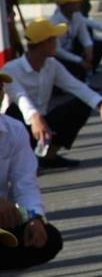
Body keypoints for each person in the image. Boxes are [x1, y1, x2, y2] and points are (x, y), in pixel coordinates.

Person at [1, 18, 102, 169]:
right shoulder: (10, 69)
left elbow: (77, 87)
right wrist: (34, 117)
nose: (56, 43)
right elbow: (20, 96)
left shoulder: (52, 65)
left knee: (80, 105)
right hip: (18, 127)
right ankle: (20, 161)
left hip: (43, 126)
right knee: (13, 112)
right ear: (41, 44)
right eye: (52, 40)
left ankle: (48, 156)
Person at [0, 71, 63, 269]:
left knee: (48, 239)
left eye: (0, 88)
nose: (0, 93)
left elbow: (24, 181)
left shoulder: (13, 130)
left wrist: (34, 217)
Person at [48, 0, 102, 81]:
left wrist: (89, 50)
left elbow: (85, 36)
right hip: (59, 57)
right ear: (66, 5)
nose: (79, 3)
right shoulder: (54, 22)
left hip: (72, 50)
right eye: (75, 2)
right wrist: (79, 61)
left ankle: (87, 74)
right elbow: (57, 51)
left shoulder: (77, 16)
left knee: (99, 45)